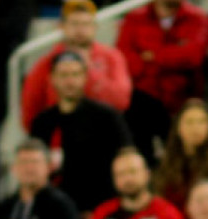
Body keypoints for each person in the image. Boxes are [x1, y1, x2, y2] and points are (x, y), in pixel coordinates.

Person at [30, 51, 133, 212]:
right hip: (55, 209)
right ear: (52, 79)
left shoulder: (107, 118)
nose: (70, 81)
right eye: (63, 75)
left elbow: (126, 156)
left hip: (100, 207)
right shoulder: (42, 122)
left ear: (85, 77)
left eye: (75, 74)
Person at [20, 0, 131, 131]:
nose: (80, 30)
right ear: (61, 26)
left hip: (103, 137)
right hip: (59, 140)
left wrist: (89, 71)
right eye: (74, 24)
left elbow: (121, 101)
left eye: (85, 24)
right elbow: (30, 110)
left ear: (94, 27)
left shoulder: (112, 57)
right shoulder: (46, 63)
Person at [115, 0, 208, 116]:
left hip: (183, 100)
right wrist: (175, 54)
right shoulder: (134, 17)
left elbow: (193, 56)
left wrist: (155, 56)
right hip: (142, 98)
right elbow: (123, 58)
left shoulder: (197, 17)